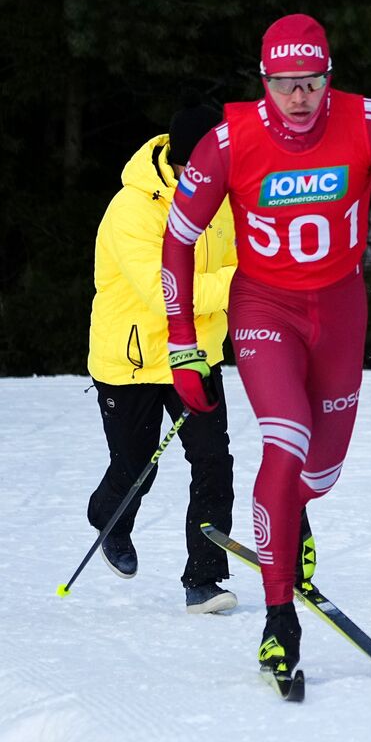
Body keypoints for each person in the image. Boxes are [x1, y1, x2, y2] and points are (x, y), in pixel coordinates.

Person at [161, 15, 371, 681]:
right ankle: (278, 620)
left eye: (310, 83)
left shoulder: (368, 121)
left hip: (340, 311)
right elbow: (178, 241)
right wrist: (182, 345)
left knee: (320, 472)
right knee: (284, 441)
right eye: (285, 84)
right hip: (265, 308)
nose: (299, 99)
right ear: (266, 82)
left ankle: (292, 517)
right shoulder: (228, 141)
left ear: (327, 79)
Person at [87, 94, 238, 614]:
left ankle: (205, 579)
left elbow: (248, 255)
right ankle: (110, 518)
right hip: (131, 361)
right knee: (136, 469)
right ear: (179, 160)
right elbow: (163, 291)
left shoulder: (224, 201)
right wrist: (245, 284)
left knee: (213, 464)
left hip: (195, 354)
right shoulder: (132, 208)